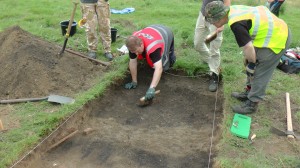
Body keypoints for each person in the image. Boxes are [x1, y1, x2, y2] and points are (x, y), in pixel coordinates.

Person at [204, 1, 291, 114]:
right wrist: (249, 60)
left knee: (259, 71)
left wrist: (252, 63)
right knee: (251, 66)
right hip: (267, 34)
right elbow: (250, 37)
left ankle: (252, 103)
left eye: (213, 22)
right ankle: (248, 92)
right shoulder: (233, 10)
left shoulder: (236, 24)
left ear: (220, 18)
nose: (213, 25)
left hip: (278, 37)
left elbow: (248, 47)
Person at [124, 25, 176, 101]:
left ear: (141, 44)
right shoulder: (132, 45)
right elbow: (132, 62)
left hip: (165, 33)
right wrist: (134, 81)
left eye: (137, 51)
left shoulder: (153, 47)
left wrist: (152, 88)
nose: (135, 54)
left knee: (164, 64)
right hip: (152, 29)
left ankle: (172, 60)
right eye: (133, 52)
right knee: (150, 59)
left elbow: (159, 68)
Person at [194, 0, 231, 92]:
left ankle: (215, 75)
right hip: (203, 14)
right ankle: (211, 63)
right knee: (197, 44)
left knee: (214, 48)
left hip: (217, 17)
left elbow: (227, 2)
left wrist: (222, 20)